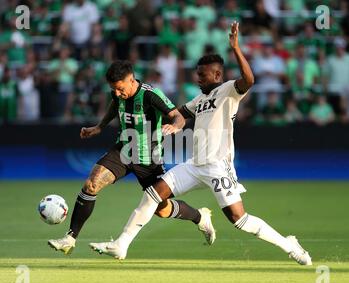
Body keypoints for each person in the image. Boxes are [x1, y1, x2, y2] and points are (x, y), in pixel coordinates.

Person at [90, 22, 312, 266]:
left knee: (238, 219)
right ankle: (121, 245)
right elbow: (178, 114)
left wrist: (236, 48)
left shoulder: (229, 91)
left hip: (217, 165)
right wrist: (170, 122)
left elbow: (249, 79)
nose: (197, 79)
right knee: (153, 194)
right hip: (195, 163)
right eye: (197, 74)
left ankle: (289, 245)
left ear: (217, 75)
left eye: (202, 75)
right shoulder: (200, 99)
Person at [48, 60, 216, 254]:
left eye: (120, 89)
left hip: (149, 159)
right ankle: (70, 238)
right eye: (114, 89)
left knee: (161, 209)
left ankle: (200, 217)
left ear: (131, 80)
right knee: (91, 184)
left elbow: (177, 116)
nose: (118, 93)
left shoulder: (151, 95)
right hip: (123, 150)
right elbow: (115, 104)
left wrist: (175, 126)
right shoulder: (118, 93)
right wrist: (99, 127)